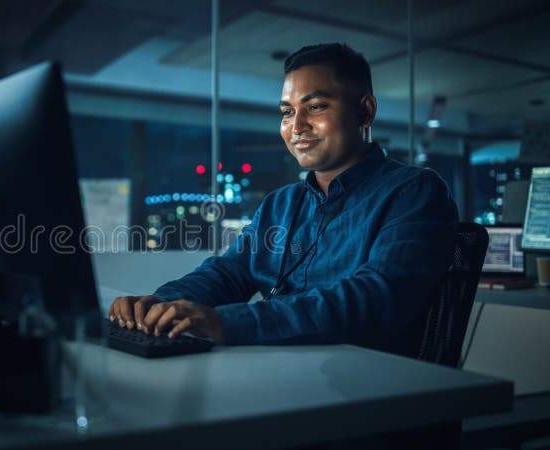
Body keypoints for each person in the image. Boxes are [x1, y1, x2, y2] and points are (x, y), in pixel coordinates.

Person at [108, 43, 459, 357]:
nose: (297, 126)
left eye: (316, 106)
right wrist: (159, 304)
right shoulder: (282, 204)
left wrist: (224, 322)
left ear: (365, 111)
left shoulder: (412, 192)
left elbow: (373, 298)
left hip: (367, 387)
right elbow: (229, 272)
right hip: (284, 372)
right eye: (287, 111)